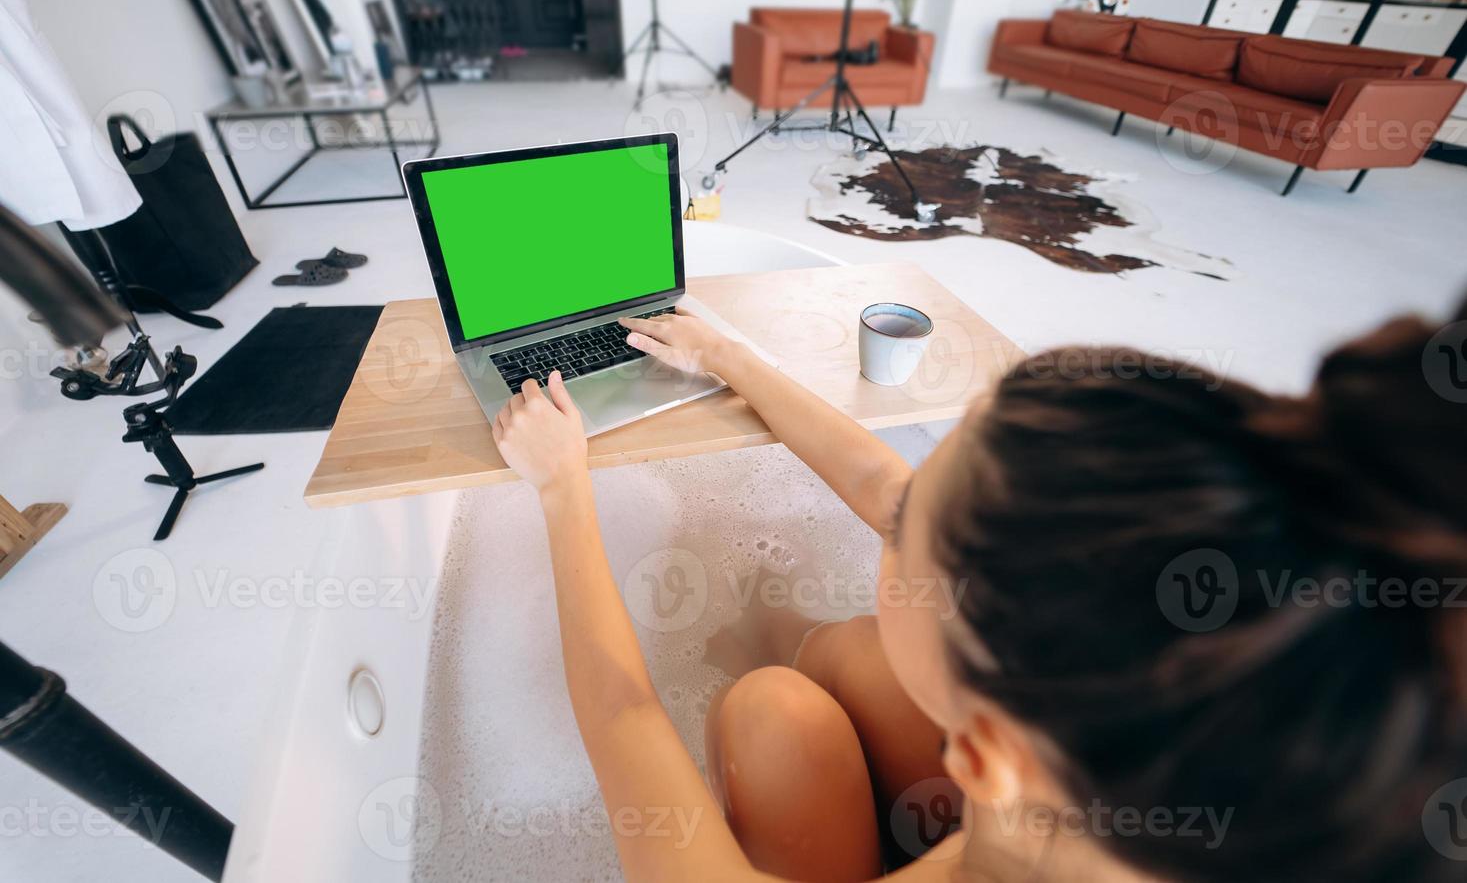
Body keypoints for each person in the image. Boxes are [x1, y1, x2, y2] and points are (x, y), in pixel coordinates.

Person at [489, 298, 1467, 883]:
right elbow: (882, 484)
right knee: (811, 672)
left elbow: (621, 712)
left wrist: (563, 483)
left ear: (992, 755)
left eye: (907, 537)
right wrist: (730, 356)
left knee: (770, 707)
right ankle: (799, 648)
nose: (891, 511)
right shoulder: (1295, 673)